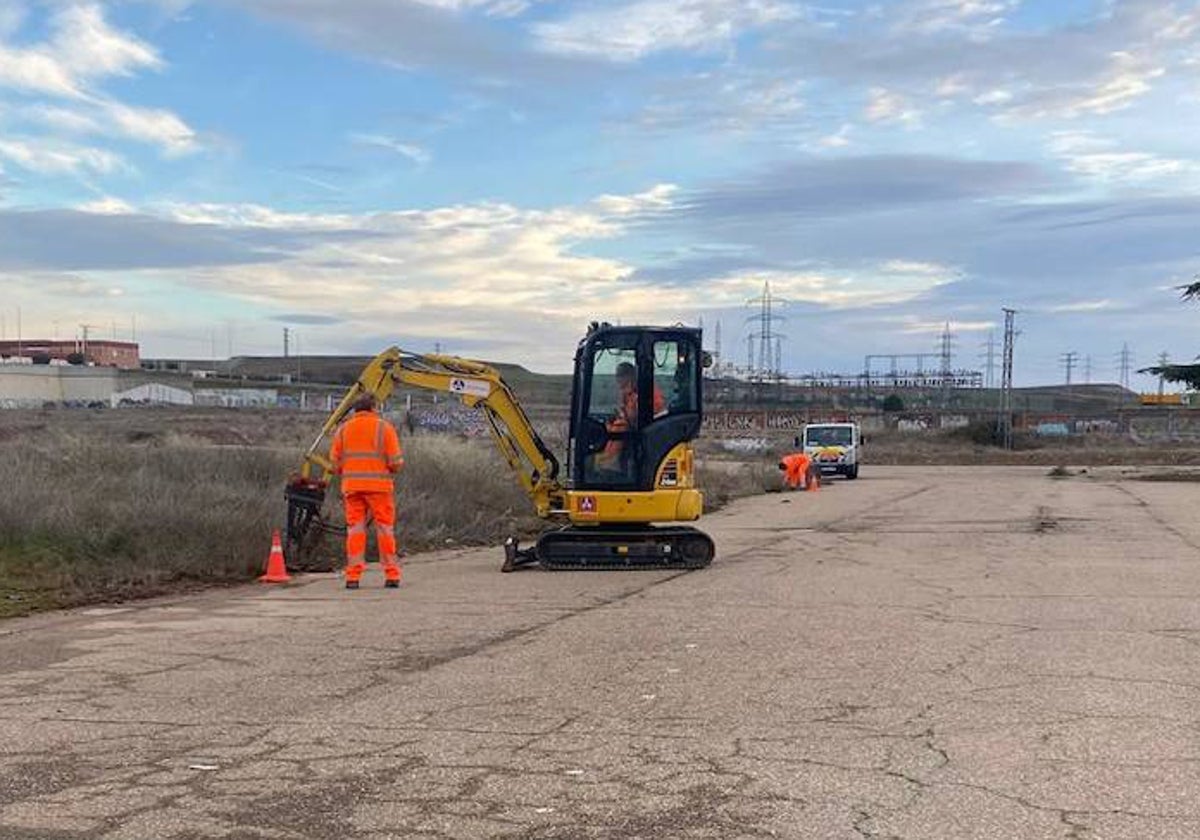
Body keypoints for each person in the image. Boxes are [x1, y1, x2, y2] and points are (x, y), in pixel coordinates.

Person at [329, 393, 405, 589]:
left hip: (352, 488)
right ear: (373, 407)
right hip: (379, 488)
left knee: (355, 531)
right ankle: (391, 574)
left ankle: (353, 577)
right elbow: (395, 463)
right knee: (385, 530)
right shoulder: (385, 428)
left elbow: (334, 465)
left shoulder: (343, 430)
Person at [597, 361, 666, 472]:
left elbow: (638, 414)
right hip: (639, 426)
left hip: (652, 429)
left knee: (619, 428)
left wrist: (623, 416)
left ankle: (609, 464)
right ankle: (605, 460)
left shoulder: (644, 391)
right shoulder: (628, 392)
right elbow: (626, 412)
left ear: (629, 376)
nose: (617, 380)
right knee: (609, 427)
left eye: (619, 376)